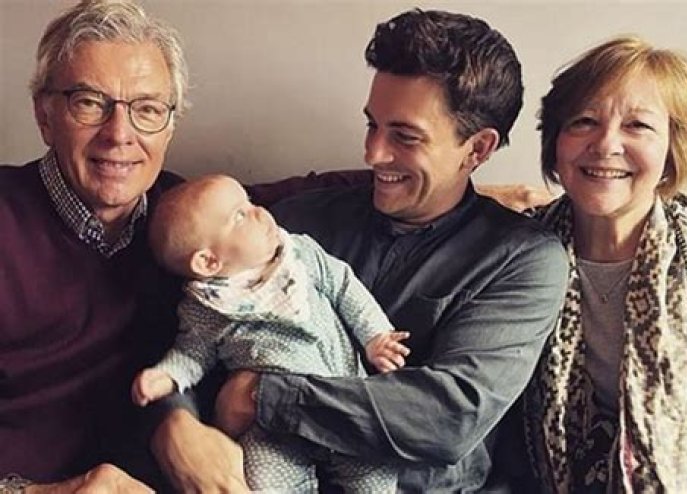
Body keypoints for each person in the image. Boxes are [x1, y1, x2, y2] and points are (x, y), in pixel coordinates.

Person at [0, 1, 367, 491]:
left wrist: (175, 423)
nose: (119, 134)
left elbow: (320, 192)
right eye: (89, 102)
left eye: (147, 109)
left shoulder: (191, 222)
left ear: (170, 126)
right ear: (44, 115)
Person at [207, 8, 569, 492]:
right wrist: (176, 422)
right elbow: (197, 319)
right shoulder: (295, 223)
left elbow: (447, 416)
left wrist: (265, 397)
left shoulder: (521, 260)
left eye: (405, 136)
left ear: (478, 149)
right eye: (372, 125)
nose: (373, 153)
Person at [515, 36, 687, 492]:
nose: (606, 144)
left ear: (673, 148)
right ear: (556, 141)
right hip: (558, 474)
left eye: (637, 126)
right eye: (584, 121)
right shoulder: (520, 253)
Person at [132, 174, 409, 492]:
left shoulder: (299, 254)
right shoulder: (206, 306)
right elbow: (193, 353)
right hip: (271, 425)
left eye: (250, 202)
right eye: (240, 216)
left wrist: (375, 336)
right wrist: (166, 376)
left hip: (342, 403)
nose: (260, 212)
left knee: (376, 473)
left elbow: (345, 288)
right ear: (208, 261)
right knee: (260, 480)